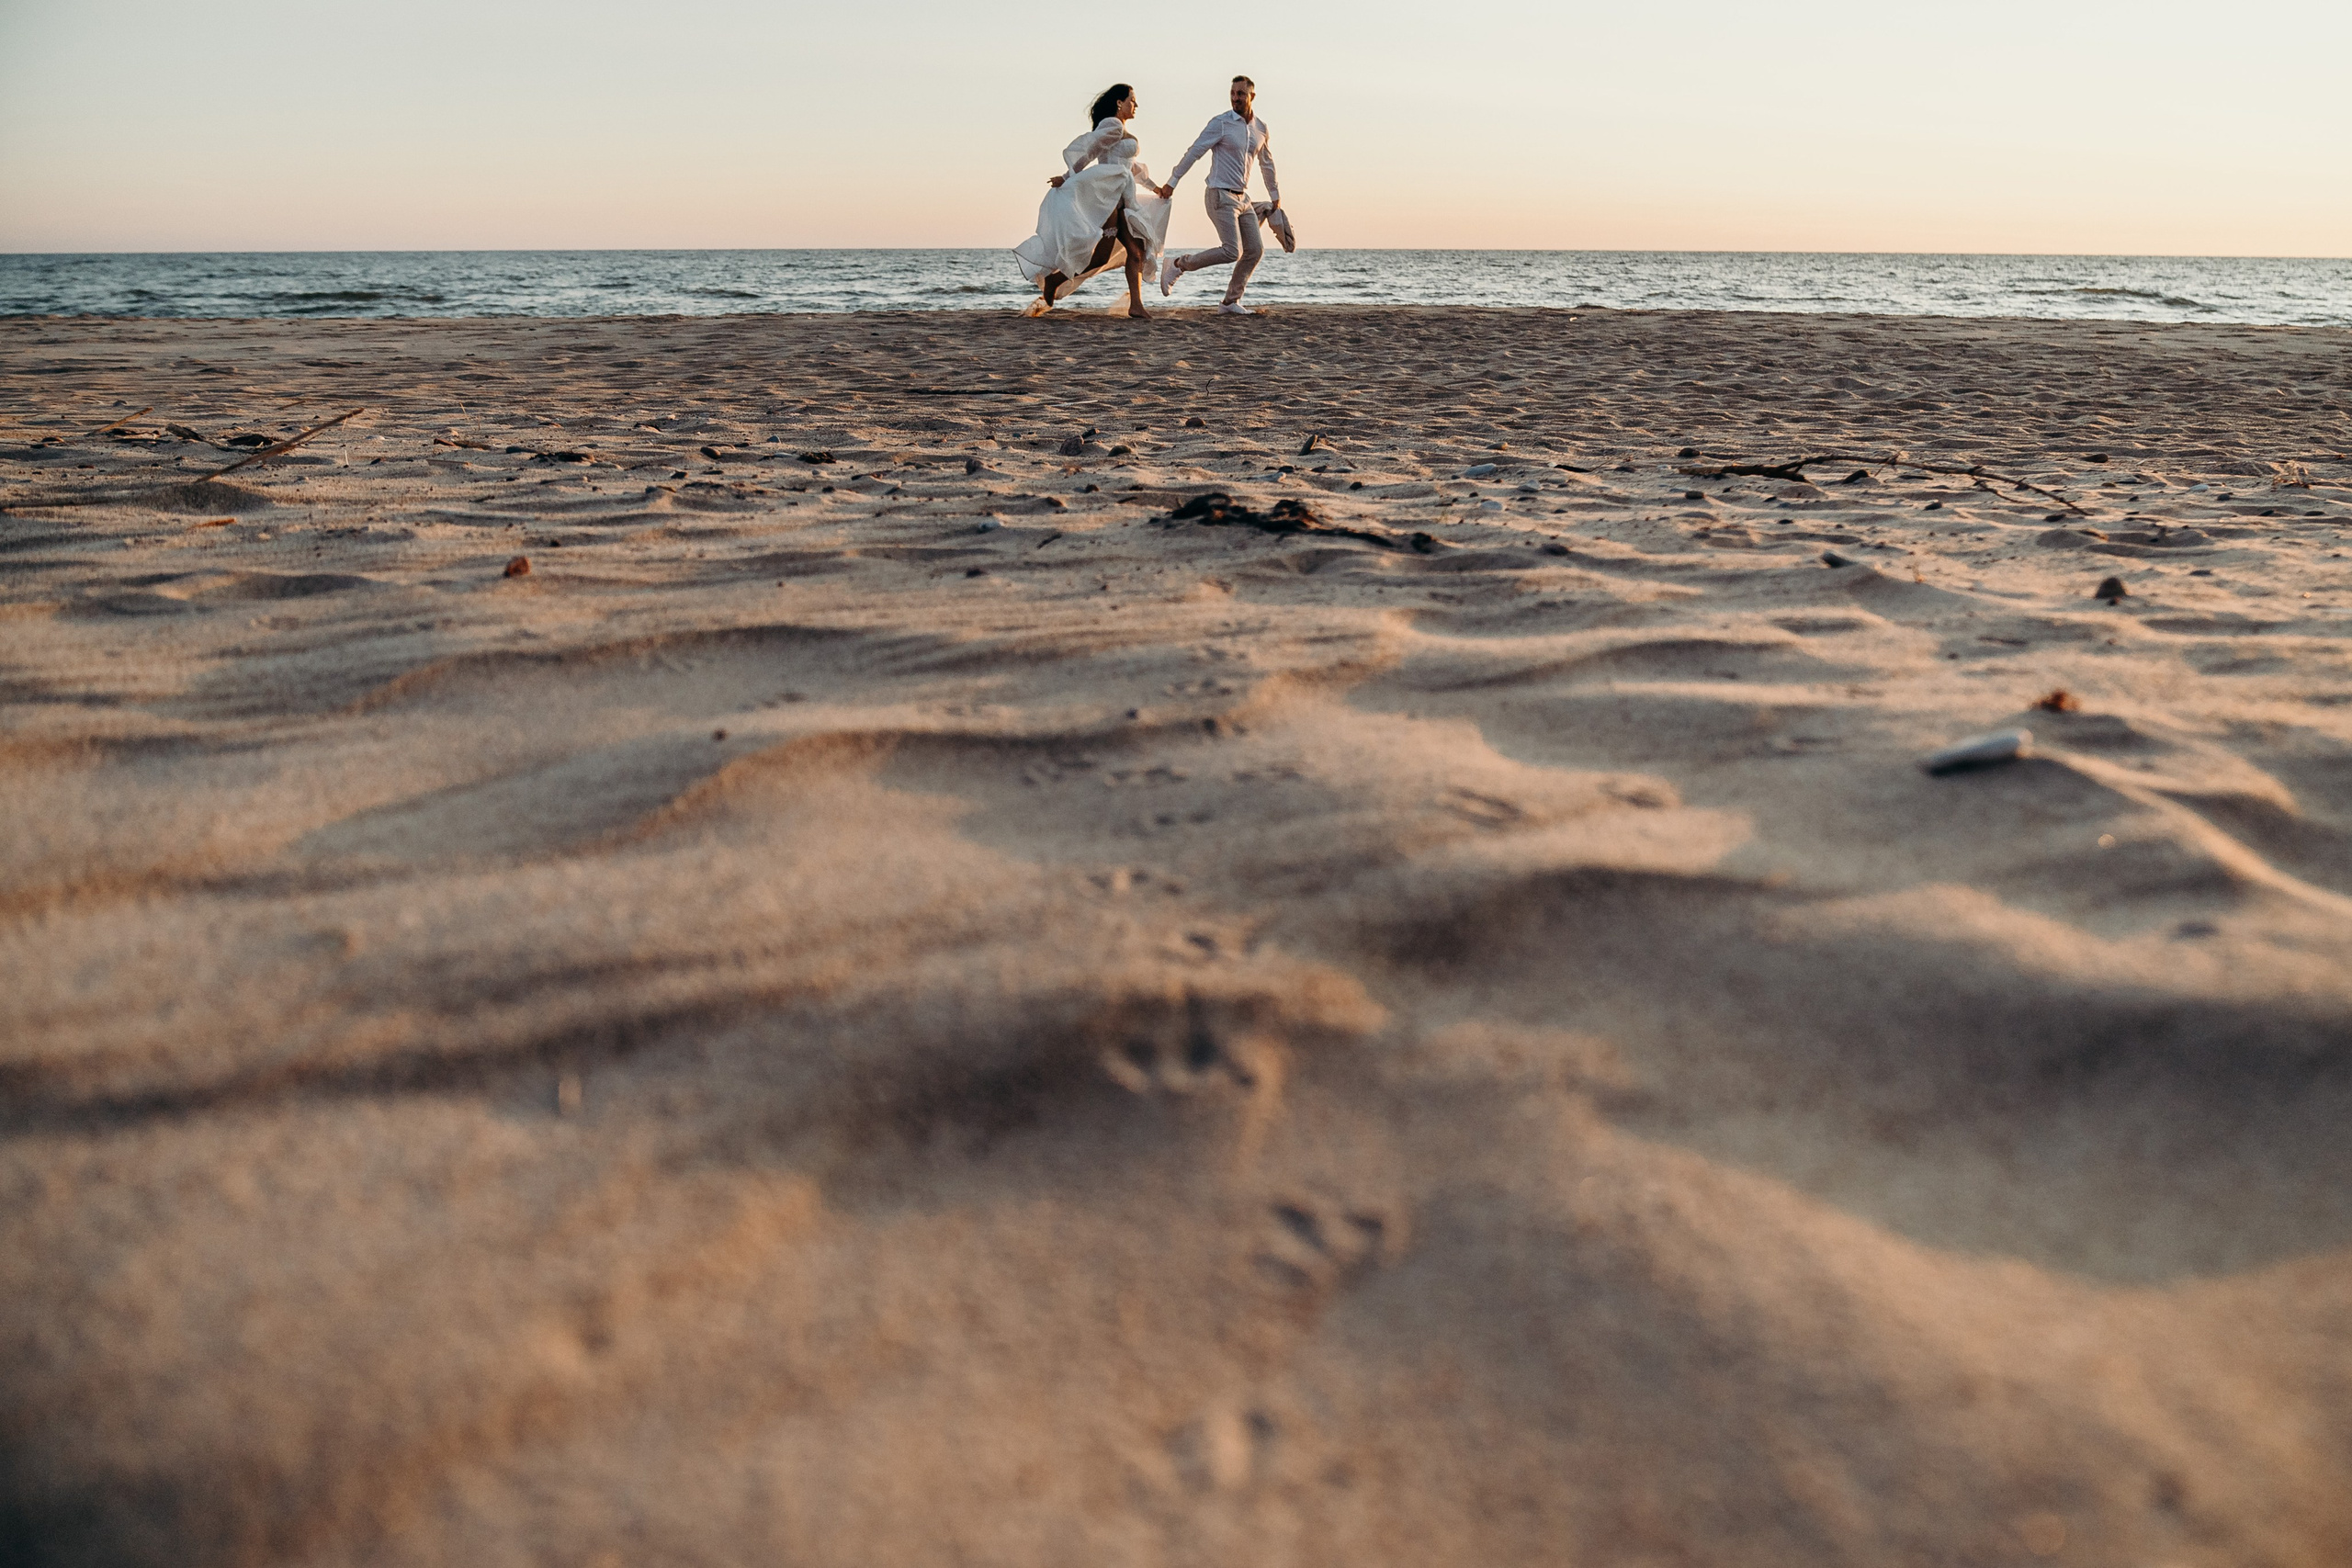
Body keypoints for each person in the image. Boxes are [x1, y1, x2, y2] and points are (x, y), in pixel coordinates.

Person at [1013, 84, 1173, 320]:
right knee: (1100, 256)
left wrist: (1155, 187)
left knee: (1136, 252)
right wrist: (1066, 177)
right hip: (1108, 198)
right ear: (1119, 103)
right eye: (1132, 100)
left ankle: (1136, 305)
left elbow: (1133, 167)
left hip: (1124, 198)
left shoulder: (1121, 129)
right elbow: (1089, 152)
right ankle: (1054, 280)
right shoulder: (1112, 125)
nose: (1136, 105)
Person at [1159, 76, 1280, 315]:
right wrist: (1172, 182)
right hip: (1219, 195)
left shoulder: (1261, 128)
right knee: (1231, 251)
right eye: (1233, 93)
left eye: (1241, 94)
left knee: (1255, 250)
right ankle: (1177, 264)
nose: (1236, 98)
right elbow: (1194, 152)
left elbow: (1267, 163)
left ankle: (1230, 302)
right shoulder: (1221, 123)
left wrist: (1274, 193)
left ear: (1252, 96)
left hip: (1243, 199)